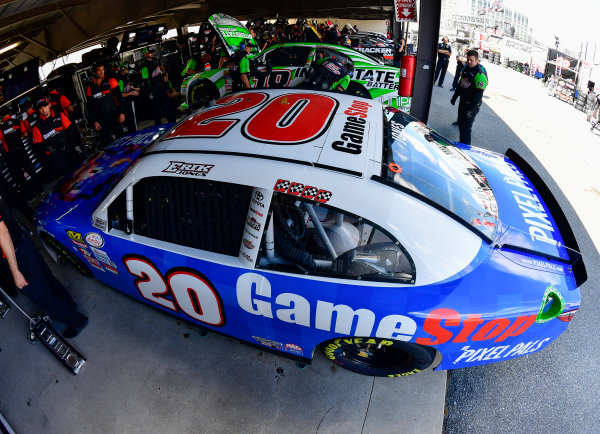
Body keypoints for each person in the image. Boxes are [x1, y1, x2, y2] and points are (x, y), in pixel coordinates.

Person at [0, 201, 88, 338]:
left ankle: (76, 320)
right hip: (22, 243)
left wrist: (15, 271)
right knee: (47, 278)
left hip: (15, 254)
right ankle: (69, 306)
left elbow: (3, 233)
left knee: (39, 293)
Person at [32, 98, 80, 180]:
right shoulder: (37, 126)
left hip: (69, 149)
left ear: (49, 105)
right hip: (56, 157)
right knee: (68, 179)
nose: (43, 109)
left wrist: (76, 146)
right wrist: (49, 153)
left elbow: (70, 132)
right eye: (40, 108)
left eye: (45, 106)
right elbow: (39, 147)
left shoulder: (59, 115)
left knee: (79, 172)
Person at [451, 50, 488, 145]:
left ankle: (466, 148)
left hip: (472, 105)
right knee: (461, 125)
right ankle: (462, 143)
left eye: (471, 60)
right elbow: (460, 84)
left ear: (477, 61)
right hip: (463, 102)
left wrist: (471, 110)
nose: (469, 62)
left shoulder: (480, 75)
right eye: (468, 60)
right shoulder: (466, 70)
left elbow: (478, 95)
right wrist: (454, 97)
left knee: (466, 128)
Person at [86, 63, 125, 146]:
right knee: (107, 143)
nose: (101, 72)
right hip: (101, 119)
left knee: (122, 139)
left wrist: (121, 113)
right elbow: (90, 107)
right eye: (99, 70)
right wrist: (95, 121)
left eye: (103, 70)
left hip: (114, 115)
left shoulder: (111, 81)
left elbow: (119, 98)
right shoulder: (90, 88)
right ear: (95, 72)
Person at [141, 47, 176, 125]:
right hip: (153, 88)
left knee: (167, 105)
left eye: (152, 52)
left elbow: (162, 70)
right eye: (150, 52)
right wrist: (149, 92)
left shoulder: (156, 60)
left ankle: (173, 123)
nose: (152, 53)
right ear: (145, 54)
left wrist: (165, 75)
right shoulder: (144, 66)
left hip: (161, 86)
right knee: (156, 109)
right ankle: (158, 125)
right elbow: (145, 80)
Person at [117, 62, 140, 134]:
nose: (128, 71)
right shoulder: (120, 80)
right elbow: (120, 94)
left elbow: (127, 86)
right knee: (130, 122)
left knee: (133, 120)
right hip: (124, 104)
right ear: (123, 69)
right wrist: (132, 93)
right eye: (127, 69)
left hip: (129, 101)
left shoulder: (126, 76)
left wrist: (134, 88)